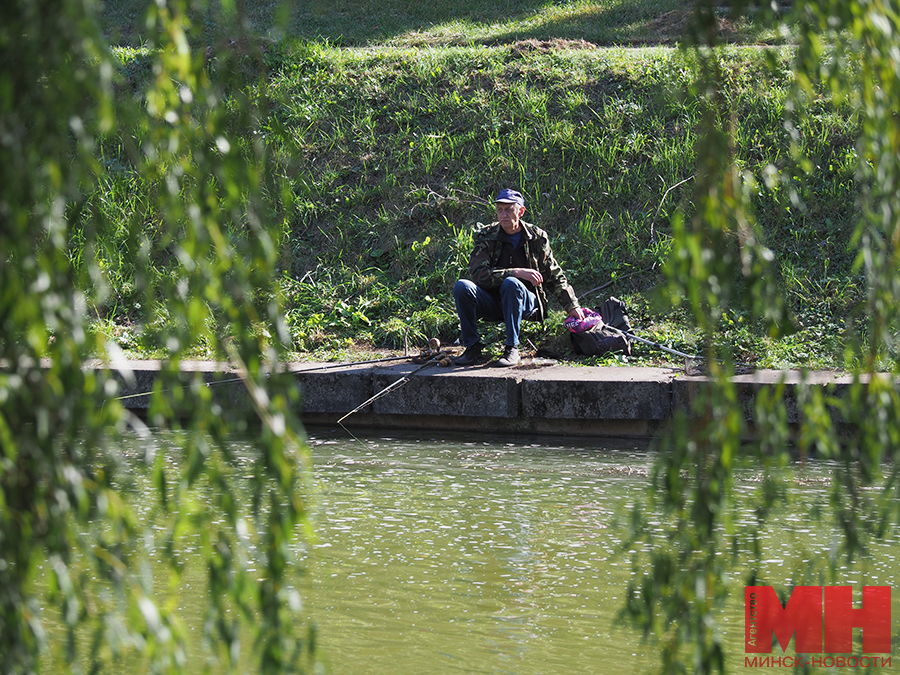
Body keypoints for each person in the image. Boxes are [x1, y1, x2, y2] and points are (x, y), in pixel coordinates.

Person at [453, 188, 588, 367]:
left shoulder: (536, 237)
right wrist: (516, 271)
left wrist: (571, 305)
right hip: (493, 302)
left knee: (512, 284)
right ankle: (472, 349)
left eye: (509, 209)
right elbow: (479, 275)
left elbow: (553, 274)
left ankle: (512, 349)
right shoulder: (486, 236)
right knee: (462, 286)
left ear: (521, 211)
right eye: (500, 209)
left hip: (526, 302)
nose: (503, 214)